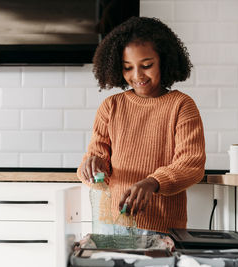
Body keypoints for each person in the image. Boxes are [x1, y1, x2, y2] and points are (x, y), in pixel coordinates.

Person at [77, 17, 206, 234]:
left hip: (163, 228)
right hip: (111, 225)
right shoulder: (111, 107)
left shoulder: (181, 105)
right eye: (127, 68)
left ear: (163, 61)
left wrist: (153, 182)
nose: (137, 76)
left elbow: (191, 165)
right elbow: (96, 161)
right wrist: (91, 166)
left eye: (146, 65)